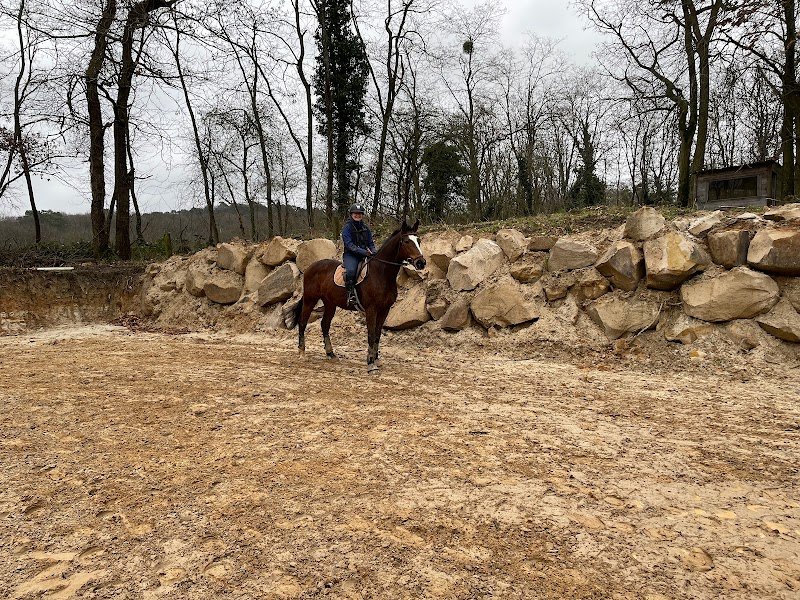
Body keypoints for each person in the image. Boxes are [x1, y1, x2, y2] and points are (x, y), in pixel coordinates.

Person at [341, 203, 376, 307]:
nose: (358, 215)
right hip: (351, 255)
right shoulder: (346, 228)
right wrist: (364, 252)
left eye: (360, 214)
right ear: (351, 214)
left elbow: (371, 243)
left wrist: (374, 251)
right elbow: (350, 245)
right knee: (351, 271)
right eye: (355, 214)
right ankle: (350, 295)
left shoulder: (366, 228)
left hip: (365, 254)